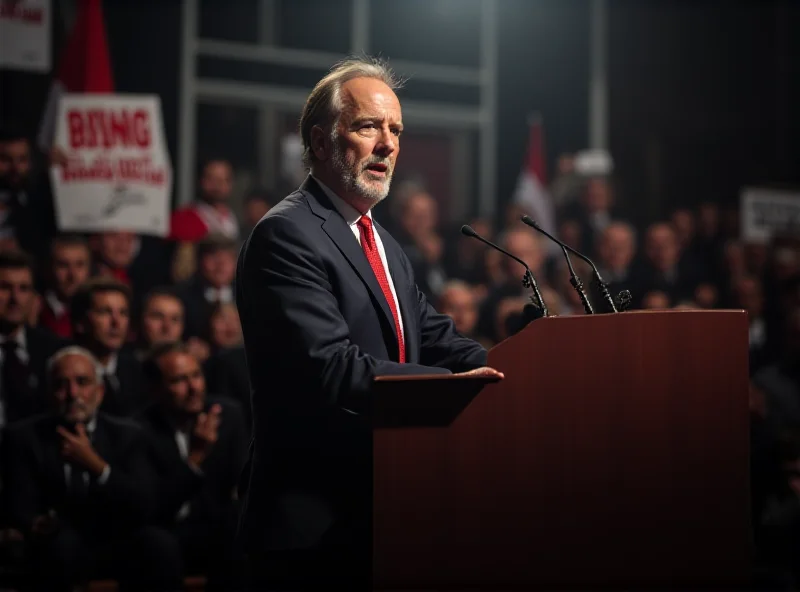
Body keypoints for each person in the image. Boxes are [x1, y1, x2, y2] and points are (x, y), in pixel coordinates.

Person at [236, 56, 503, 590]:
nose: (388, 144)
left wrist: (510, 370)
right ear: (319, 140)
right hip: (315, 526)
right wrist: (456, 389)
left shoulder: (381, 241)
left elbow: (430, 334)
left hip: (385, 511)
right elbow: (331, 368)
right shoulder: (287, 234)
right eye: (368, 126)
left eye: (396, 130)